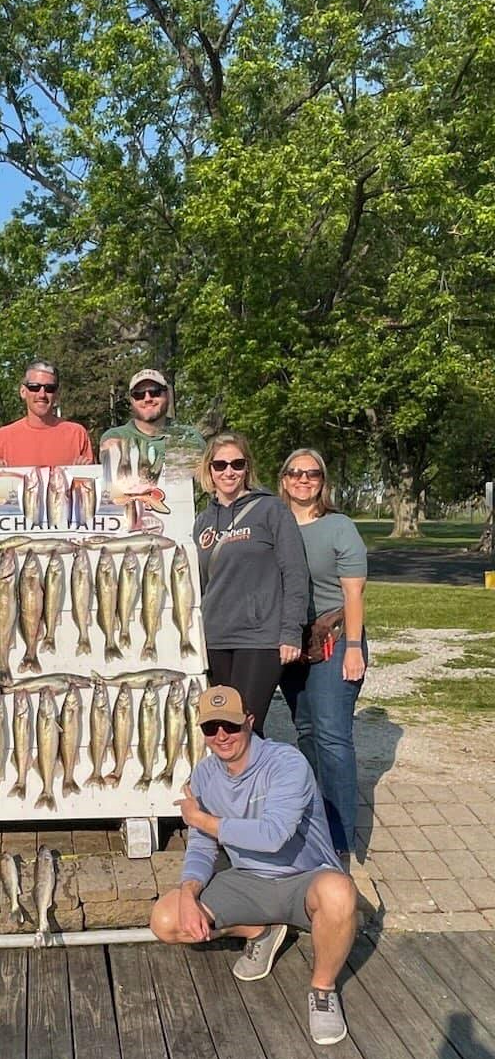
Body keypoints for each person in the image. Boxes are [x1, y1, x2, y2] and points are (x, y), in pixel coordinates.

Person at [150, 686, 356, 1045]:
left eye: (229, 725)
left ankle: (323, 990)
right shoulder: (203, 776)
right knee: (165, 921)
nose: (221, 736)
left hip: (303, 878)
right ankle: (260, 931)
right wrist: (188, 891)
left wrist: (201, 820)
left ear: (249, 721)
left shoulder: (287, 763)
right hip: (247, 880)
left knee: (339, 892)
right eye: (210, 728)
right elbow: (202, 844)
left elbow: (273, 835)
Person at [278, 448, 368, 863]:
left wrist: (353, 648)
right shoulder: (274, 523)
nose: (303, 480)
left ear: (322, 481)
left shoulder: (339, 526)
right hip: (292, 642)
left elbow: (354, 592)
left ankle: (339, 841)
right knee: (307, 733)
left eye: (312, 474)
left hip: (333, 641)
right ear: (284, 479)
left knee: (333, 737)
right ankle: (313, 821)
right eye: (295, 473)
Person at [193, 431, 309, 735]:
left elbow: (295, 572)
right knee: (220, 728)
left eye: (237, 464)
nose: (228, 471)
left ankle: (256, 783)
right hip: (216, 638)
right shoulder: (203, 521)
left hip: (259, 638)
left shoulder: (271, 510)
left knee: (245, 724)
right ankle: (231, 784)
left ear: (247, 468)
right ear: (209, 470)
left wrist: (291, 632)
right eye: (220, 465)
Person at [99, 368, 205, 480]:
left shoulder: (189, 435)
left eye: (155, 392)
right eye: (139, 394)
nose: (147, 398)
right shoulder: (115, 436)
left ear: (167, 395)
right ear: (131, 400)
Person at [0, 361, 94, 468]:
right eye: (34, 387)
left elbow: (92, 481)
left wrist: (84, 471)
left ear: (56, 394)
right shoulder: (1, 438)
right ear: (23, 391)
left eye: (49, 388)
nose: (42, 394)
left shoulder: (77, 434)